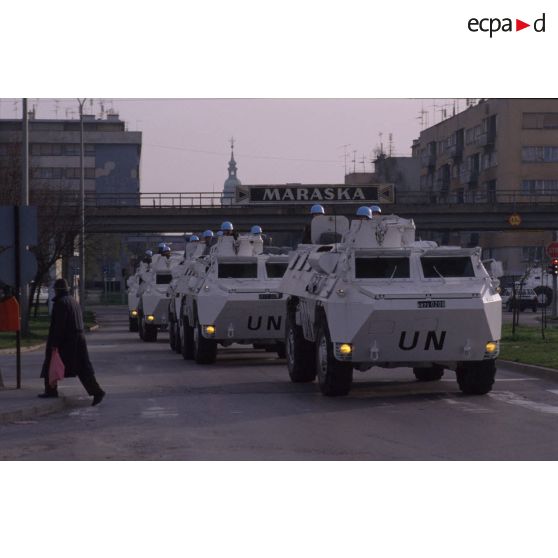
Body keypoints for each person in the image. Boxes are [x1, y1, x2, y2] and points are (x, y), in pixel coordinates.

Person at [39, 278, 105, 406]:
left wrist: (54, 344)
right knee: (82, 367)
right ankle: (97, 391)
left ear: (57, 290)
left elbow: (59, 326)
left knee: (50, 363)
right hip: (79, 338)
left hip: (67, 340)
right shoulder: (73, 301)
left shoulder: (60, 303)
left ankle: (51, 390)